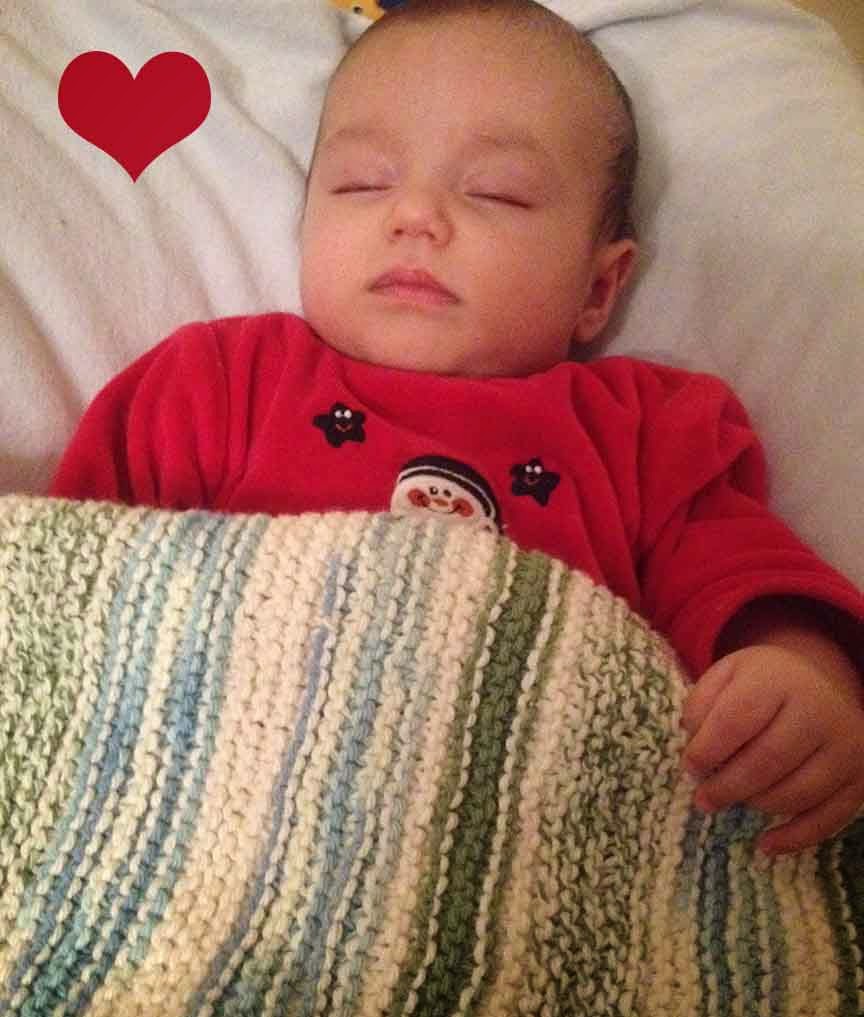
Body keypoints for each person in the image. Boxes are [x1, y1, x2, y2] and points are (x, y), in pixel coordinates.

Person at [50, 0, 864, 858]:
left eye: (494, 193)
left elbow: (743, 580)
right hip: (219, 812)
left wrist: (803, 681)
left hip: (529, 836)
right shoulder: (222, 379)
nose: (415, 216)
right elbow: (76, 577)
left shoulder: (644, 430)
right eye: (362, 182)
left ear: (598, 289)